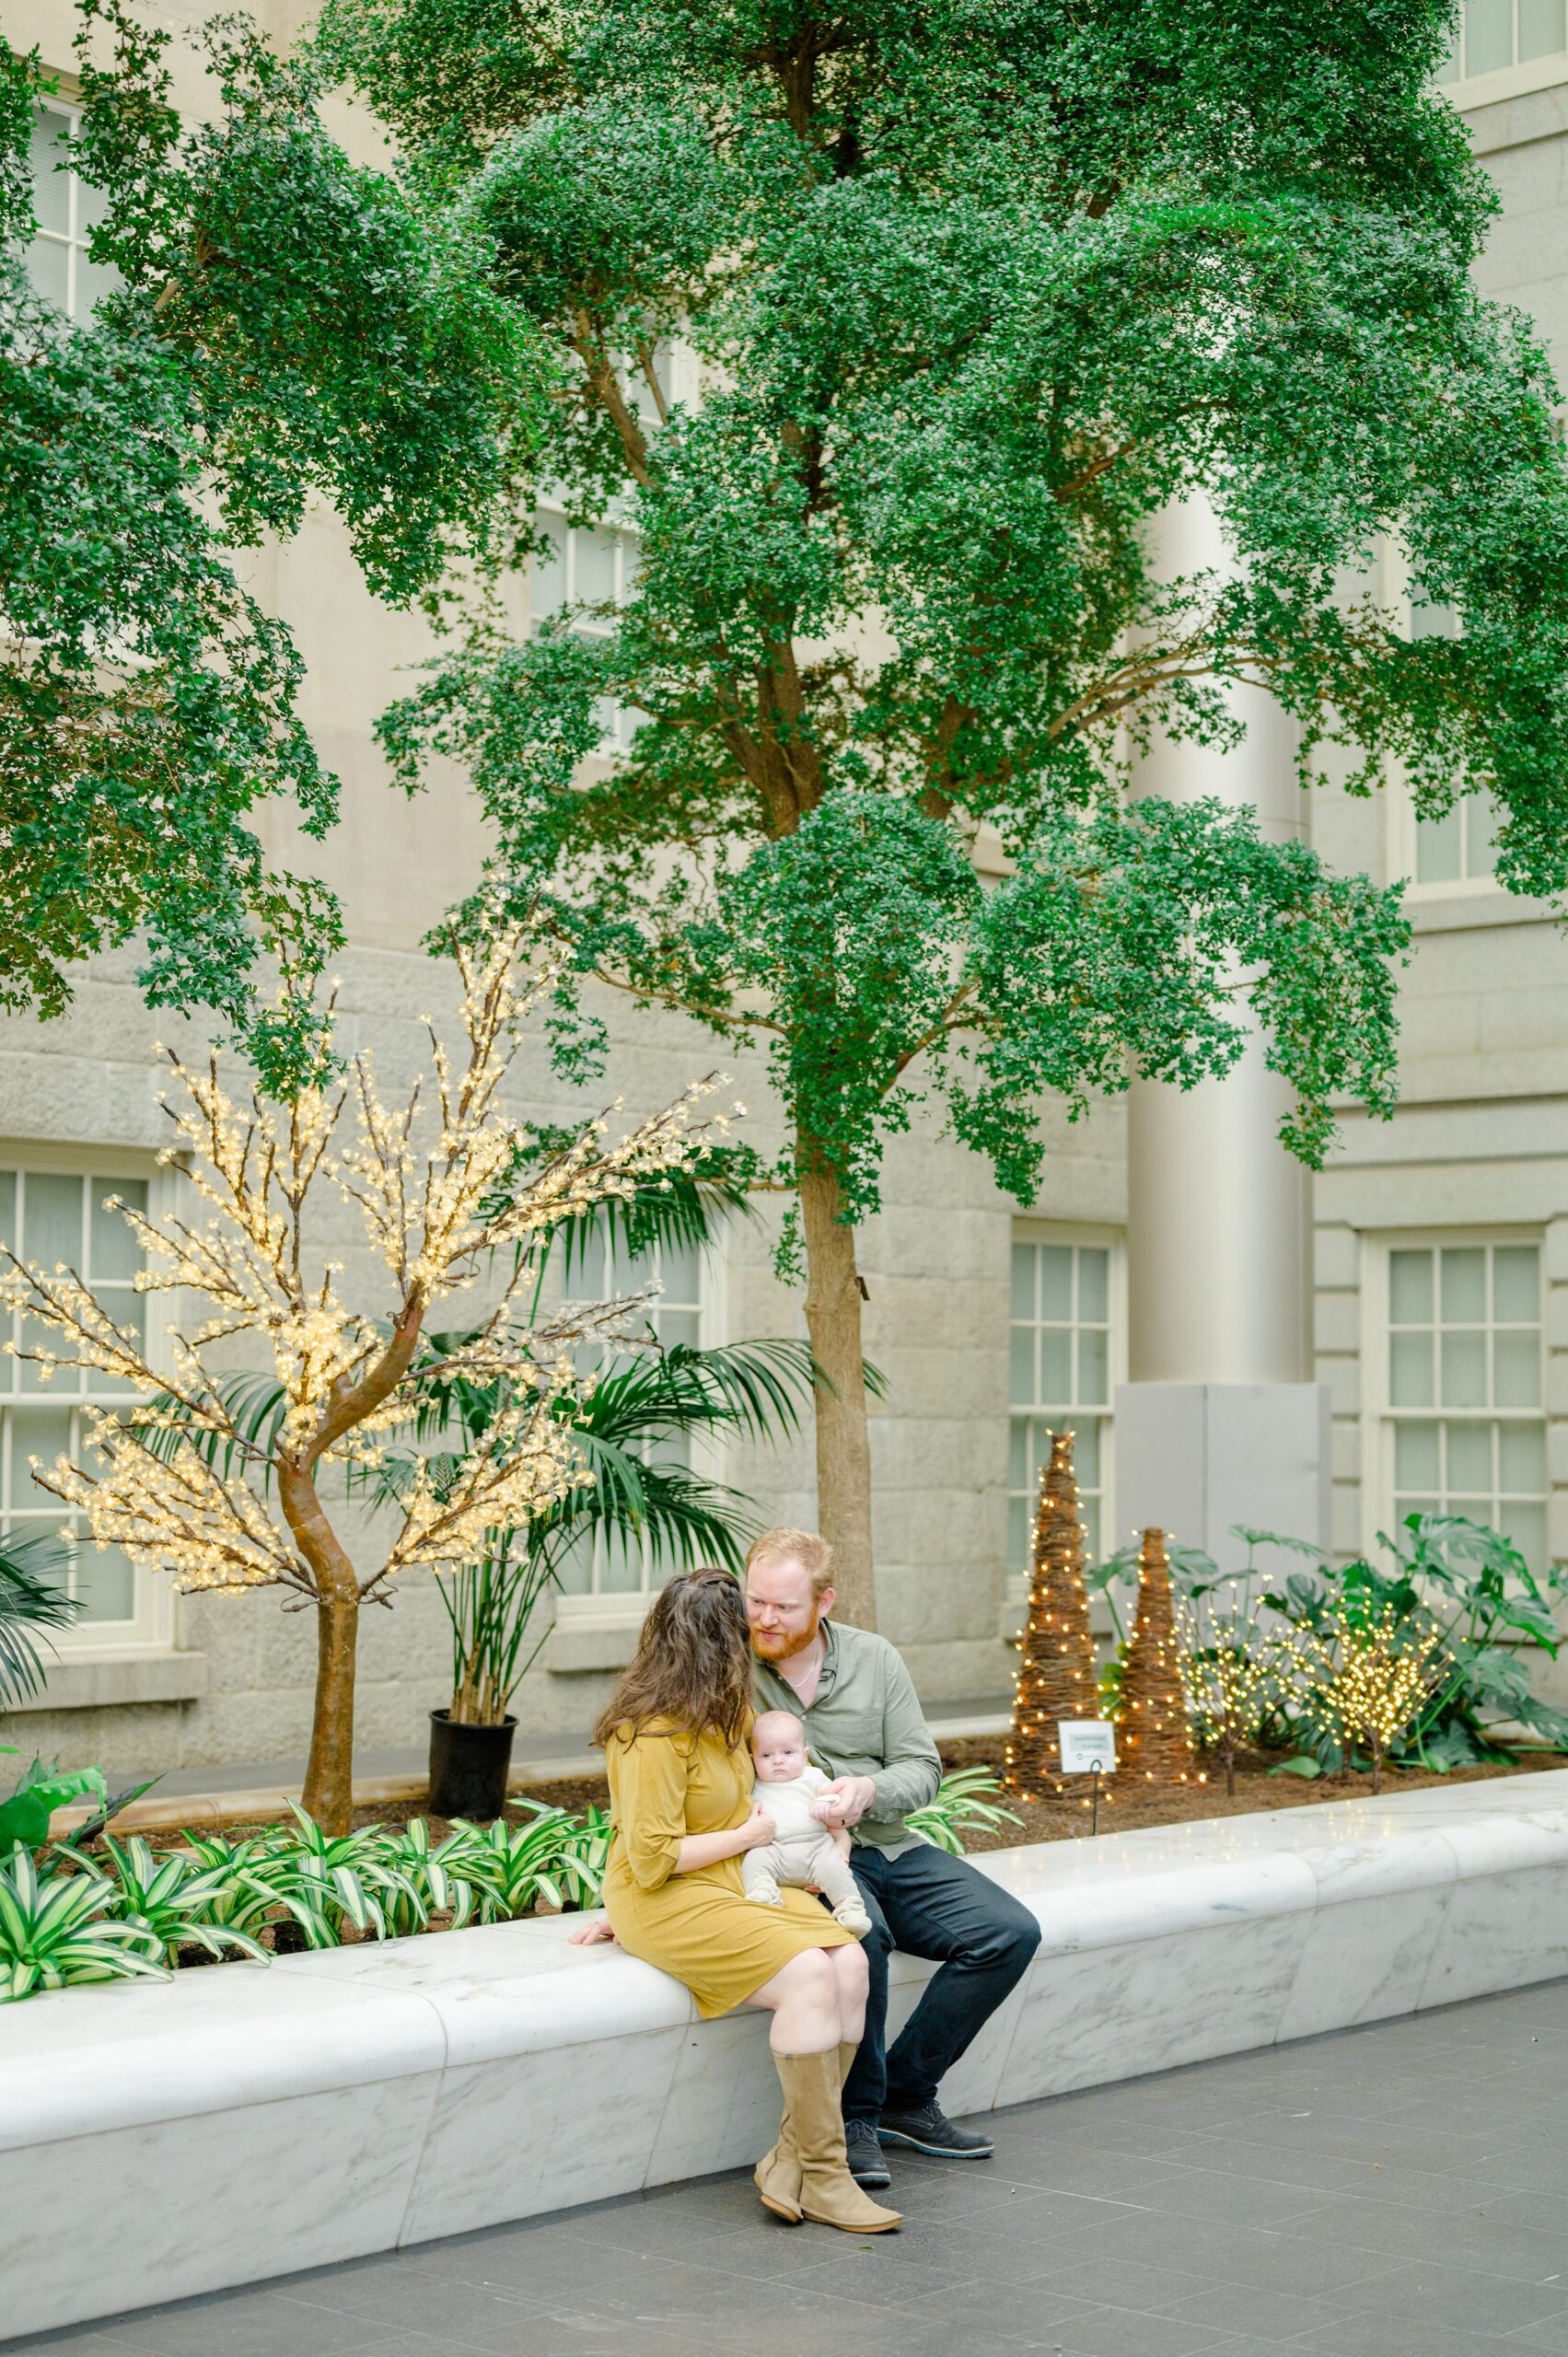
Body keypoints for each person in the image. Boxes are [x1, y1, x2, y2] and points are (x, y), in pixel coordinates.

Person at [565, 1566, 900, 2234]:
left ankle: (791, 2159)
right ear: (717, 1648)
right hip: (666, 1893)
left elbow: (778, 1785)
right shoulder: (648, 1735)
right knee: (810, 1975)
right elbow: (652, 1859)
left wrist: (827, 1810)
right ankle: (828, 2178)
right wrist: (747, 1835)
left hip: (733, 1875)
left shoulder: (727, 1717)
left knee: (852, 1962)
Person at [747, 1527, 1042, 2191]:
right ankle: (853, 2119)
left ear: (822, 1602)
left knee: (1007, 1933)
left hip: (885, 1842)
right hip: (801, 1858)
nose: (764, 1619)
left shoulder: (875, 1659)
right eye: (756, 1601)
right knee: (864, 1937)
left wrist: (869, 1790)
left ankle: (904, 2097)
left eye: (783, 1607)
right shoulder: (729, 1669)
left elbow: (922, 1766)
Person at [745, 1708, 872, 1934]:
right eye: (767, 1755)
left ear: (805, 1755)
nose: (778, 1761)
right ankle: (763, 1892)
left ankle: (850, 1910)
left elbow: (834, 1797)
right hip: (776, 1849)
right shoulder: (755, 1784)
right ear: (752, 1759)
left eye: (787, 1752)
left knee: (837, 1871)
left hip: (816, 1847)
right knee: (755, 1860)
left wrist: (825, 1803)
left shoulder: (812, 1777)